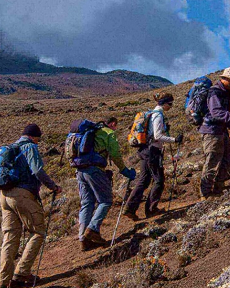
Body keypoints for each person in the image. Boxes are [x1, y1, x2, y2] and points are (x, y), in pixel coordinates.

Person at [0, 124, 62, 288]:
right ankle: (22, 273)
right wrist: (52, 186)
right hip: (22, 194)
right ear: (34, 137)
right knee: (38, 231)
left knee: (10, 237)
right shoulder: (30, 147)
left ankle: (4, 281)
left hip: (4, 195)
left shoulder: (11, 148)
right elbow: (37, 170)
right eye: (38, 138)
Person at [77, 117, 136, 251]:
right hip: (95, 169)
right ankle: (92, 229)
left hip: (80, 170)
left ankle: (83, 239)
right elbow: (115, 154)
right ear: (113, 124)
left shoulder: (91, 132)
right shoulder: (108, 133)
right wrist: (124, 171)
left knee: (87, 203)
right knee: (105, 201)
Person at [123, 92, 182, 220]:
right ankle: (151, 209)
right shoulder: (158, 116)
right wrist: (174, 140)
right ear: (165, 103)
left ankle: (130, 208)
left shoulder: (151, 114)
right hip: (152, 151)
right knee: (159, 180)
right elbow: (157, 136)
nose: (171, 107)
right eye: (170, 104)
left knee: (144, 180)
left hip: (144, 150)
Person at [199, 67, 230, 200]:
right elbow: (216, 112)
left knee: (229, 158)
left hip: (220, 130)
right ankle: (205, 194)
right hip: (211, 131)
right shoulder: (214, 92)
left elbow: (220, 113)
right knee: (212, 162)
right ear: (226, 78)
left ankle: (218, 188)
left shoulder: (225, 91)